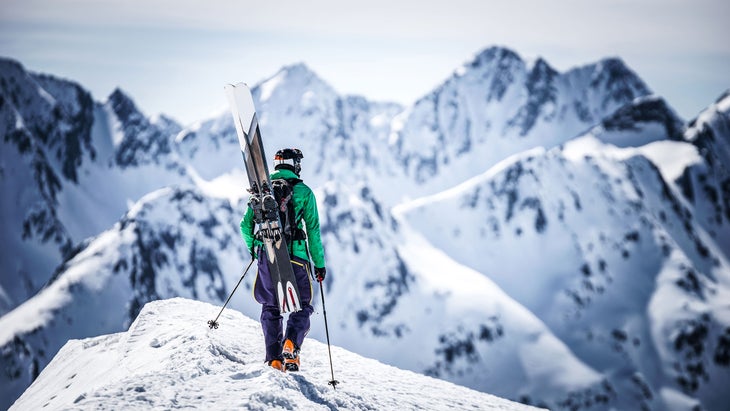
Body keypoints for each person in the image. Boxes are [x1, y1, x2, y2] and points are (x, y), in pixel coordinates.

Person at [240, 148, 327, 372]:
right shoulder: (305, 193)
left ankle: (275, 359)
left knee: (271, 306)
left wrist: (255, 250)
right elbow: (313, 231)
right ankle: (291, 345)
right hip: (296, 257)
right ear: (295, 165)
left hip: (267, 255)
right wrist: (319, 264)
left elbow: (245, 226)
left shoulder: (262, 191)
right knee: (303, 305)